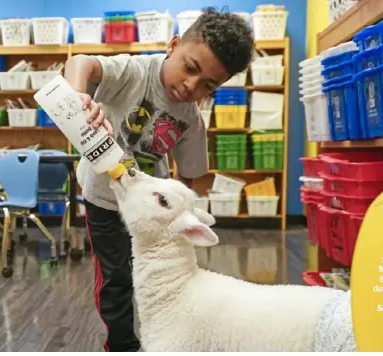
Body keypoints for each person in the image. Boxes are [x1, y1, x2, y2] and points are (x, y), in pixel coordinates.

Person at [64, 7, 254, 352]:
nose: (191, 86)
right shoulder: (134, 72)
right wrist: (78, 95)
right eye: (190, 68)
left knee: (155, 278)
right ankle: (122, 345)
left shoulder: (191, 120)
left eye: (208, 85)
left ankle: (162, 339)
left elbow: (189, 179)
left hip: (152, 212)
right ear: (174, 45)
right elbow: (80, 62)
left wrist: (186, 216)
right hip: (104, 200)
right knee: (115, 278)